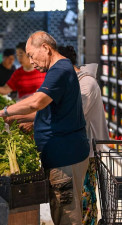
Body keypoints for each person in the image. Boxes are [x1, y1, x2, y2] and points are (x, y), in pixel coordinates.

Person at [0, 31, 89, 225]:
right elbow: (50, 110)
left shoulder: (59, 70)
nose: (30, 61)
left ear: (46, 48)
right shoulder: (59, 69)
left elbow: (37, 102)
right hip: (62, 156)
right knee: (60, 213)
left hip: (65, 157)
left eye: (31, 54)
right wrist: (18, 116)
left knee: (67, 218)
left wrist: (1, 112)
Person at [58, 45, 109, 225]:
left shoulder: (86, 84)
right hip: (78, 150)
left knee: (86, 198)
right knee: (79, 198)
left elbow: (74, 113)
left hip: (88, 151)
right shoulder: (73, 82)